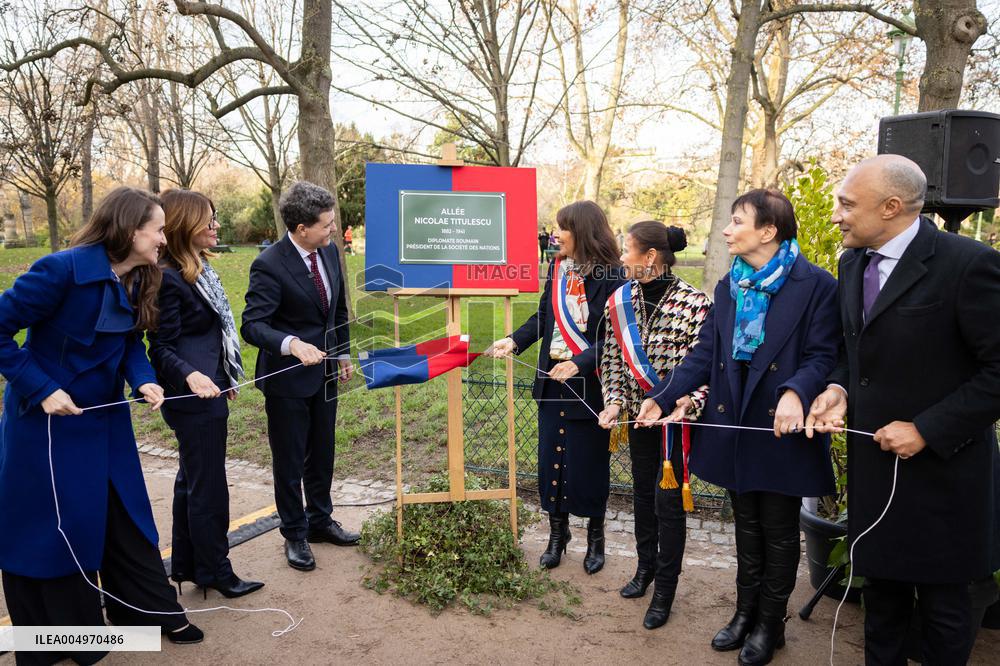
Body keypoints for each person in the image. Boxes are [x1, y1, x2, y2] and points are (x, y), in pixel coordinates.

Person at [806, 154, 1000, 666]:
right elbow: (854, 354)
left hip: (946, 477)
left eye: (847, 204)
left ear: (892, 207)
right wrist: (837, 390)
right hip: (877, 472)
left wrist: (927, 429)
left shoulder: (968, 264)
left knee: (944, 611)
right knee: (882, 603)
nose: (835, 215)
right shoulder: (852, 262)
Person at [0, 187, 203, 664]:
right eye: (156, 230)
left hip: (107, 421)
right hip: (47, 425)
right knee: (53, 531)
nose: (162, 239)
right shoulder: (60, 270)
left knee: (125, 512)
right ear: (131, 231)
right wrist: (42, 387)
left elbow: (131, 341)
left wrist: (145, 379)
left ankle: (146, 613)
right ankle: (57, 644)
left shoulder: (141, 275)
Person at [637, 189, 840, 666]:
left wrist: (796, 391)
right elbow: (707, 353)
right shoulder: (730, 285)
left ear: (767, 231)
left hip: (781, 425)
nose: (726, 230)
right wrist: (661, 397)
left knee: (780, 529)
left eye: (736, 221)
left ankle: (772, 624)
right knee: (746, 526)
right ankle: (745, 613)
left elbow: (823, 355)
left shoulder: (817, 285)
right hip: (734, 422)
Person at [486, 201, 625, 574]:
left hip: (589, 385)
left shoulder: (614, 276)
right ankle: (556, 536)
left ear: (582, 231)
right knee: (552, 462)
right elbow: (544, 317)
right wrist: (514, 341)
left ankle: (596, 539)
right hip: (552, 382)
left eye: (562, 228)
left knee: (590, 466)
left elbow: (616, 339)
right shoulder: (558, 268)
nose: (555, 234)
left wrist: (579, 362)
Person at [148, 189, 264, 599]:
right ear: (185, 226)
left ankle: (188, 565)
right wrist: (194, 376)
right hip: (191, 398)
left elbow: (212, 333)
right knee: (209, 486)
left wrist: (222, 373)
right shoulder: (167, 277)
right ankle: (217, 570)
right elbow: (160, 348)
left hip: (211, 388)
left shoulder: (199, 269)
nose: (216, 226)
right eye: (209, 220)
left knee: (192, 481)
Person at [597, 221, 711, 629]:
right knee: (642, 497)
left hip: (674, 425)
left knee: (668, 505)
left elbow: (707, 370)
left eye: (627, 249)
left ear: (649, 257)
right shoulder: (619, 301)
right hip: (637, 421)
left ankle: (665, 589)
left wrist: (686, 404)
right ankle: (645, 569)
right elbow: (611, 360)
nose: (622, 257)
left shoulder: (695, 304)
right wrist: (613, 404)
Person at [241, 181, 357, 572]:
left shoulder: (329, 253)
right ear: (301, 228)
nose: (333, 230)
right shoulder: (269, 263)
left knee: (322, 452)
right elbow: (253, 325)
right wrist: (292, 344)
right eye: (326, 225)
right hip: (287, 378)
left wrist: (341, 353)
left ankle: (320, 521)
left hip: (325, 375)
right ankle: (294, 533)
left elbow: (337, 311)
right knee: (290, 460)